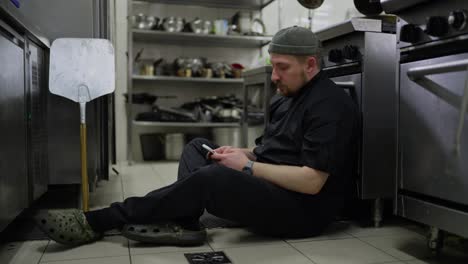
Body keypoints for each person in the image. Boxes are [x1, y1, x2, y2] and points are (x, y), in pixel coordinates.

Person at [36, 26, 359, 247]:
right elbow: (270, 150)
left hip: (303, 211)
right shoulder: (287, 97)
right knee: (197, 148)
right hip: (273, 188)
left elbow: (311, 181)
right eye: (272, 66)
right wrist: (242, 153)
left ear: (312, 65)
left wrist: (245, 168)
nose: (274, 76)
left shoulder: (330, 106)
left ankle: (98, 221)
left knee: (212, 179)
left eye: (282, 68)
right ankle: (186, 222)